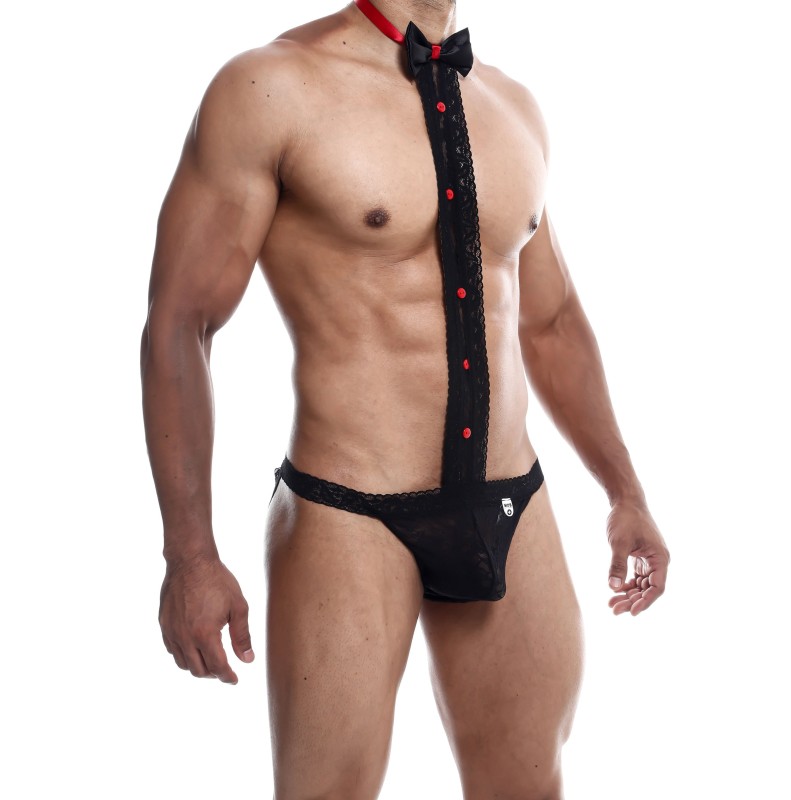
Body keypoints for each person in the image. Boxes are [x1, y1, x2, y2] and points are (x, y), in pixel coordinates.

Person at [140, 0, 670, 797]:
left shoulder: (513, 105)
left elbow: (553, 321)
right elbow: (180, 322)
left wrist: (626, 491)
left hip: (511, 504)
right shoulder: (271, 88)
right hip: (349, 512)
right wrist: (189, 554)